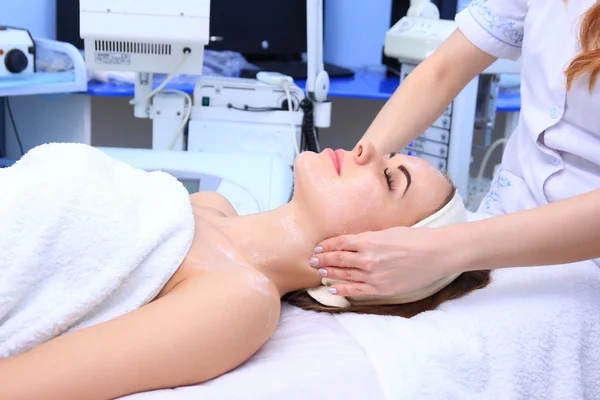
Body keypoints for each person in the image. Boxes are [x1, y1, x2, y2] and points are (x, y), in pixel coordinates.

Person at [0, 141, 489, 400]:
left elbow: (21, 386)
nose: (367, 150)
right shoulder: (209, 206)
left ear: (369, 260)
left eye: (388, 178)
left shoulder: (241, 301)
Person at [309, 0, 600, 299]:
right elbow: (443, 71)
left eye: (389, 177)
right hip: (494, 229)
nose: (361, 155)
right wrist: (353, 179)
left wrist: (443, 251)